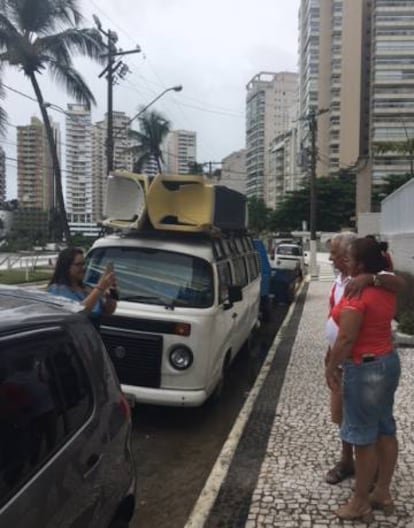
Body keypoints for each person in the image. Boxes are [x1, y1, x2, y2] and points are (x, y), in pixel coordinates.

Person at [326, 237, 401, 522]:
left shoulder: (359, 291)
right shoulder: (381, 285)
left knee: (363, 438)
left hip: (364, 369)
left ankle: (360, 503)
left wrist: (332, 367)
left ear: (359, 263)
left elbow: (346, 338)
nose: (344, 261)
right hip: (386, 362)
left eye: (349, 257)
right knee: (384, 428)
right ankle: (382, 491)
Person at [48, 247, 117, 327]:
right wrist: (100, 288)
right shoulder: (57, 290)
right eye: (78, 265)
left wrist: (112, 293)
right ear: (65, 267)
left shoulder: (87, 288)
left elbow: (108, 312)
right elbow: (79, 313)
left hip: (92, 337)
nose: (83, 268)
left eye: (84, 264)